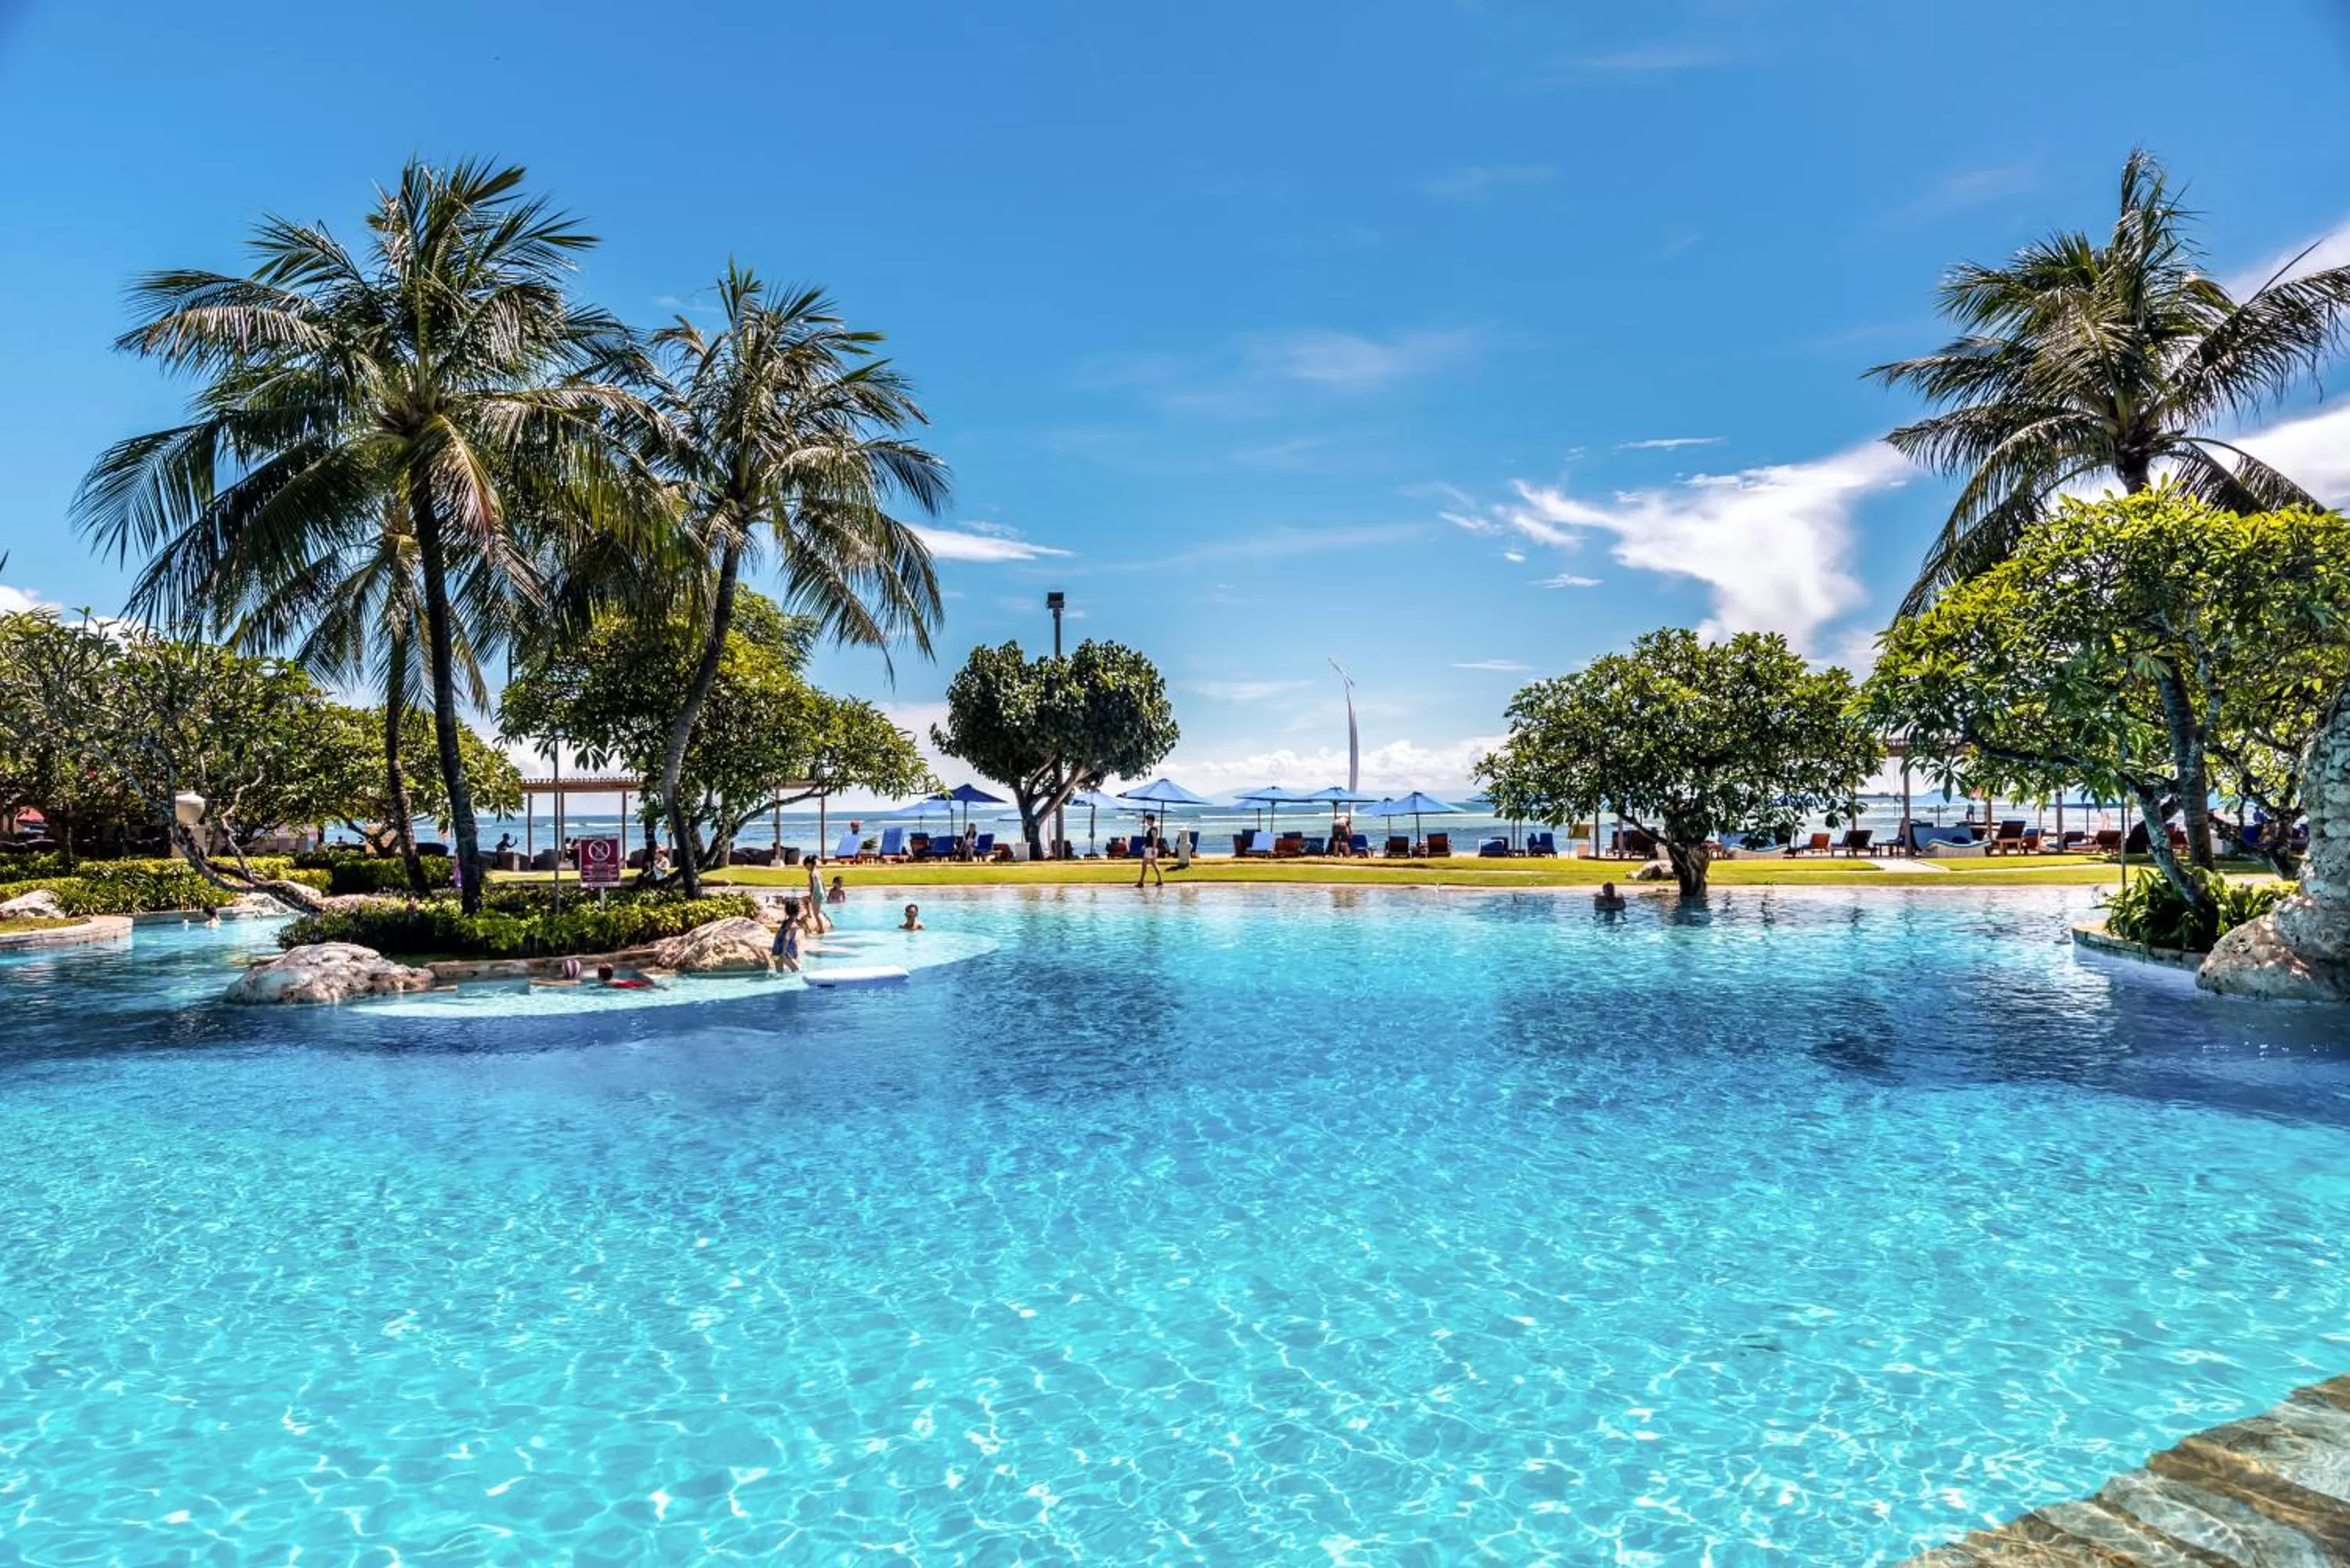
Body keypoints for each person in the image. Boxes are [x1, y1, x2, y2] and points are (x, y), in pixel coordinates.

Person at [772, 898, 804, 972]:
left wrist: (774, 949)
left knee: (779, 973)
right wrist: (783, 953)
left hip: (776, 951)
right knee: (796, 971)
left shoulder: (784, 922)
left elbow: (777, 935)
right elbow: (787, 937)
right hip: (784, 952)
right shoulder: (793, 925)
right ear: (798, 911)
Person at [1136, 812, 1164, 889]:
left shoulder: (1153, 828)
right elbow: (1151, 839)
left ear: (1150, 820)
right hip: (1151, 848)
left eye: (1147, 820)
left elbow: (1155, 839)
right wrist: (1145, 845)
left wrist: (1153, 849)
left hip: (1151, 849)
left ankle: (1141, 882)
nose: (1146, 822)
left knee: (1144, 864)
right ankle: (1160, 880)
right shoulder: (1153, 828)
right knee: (1154, 864)